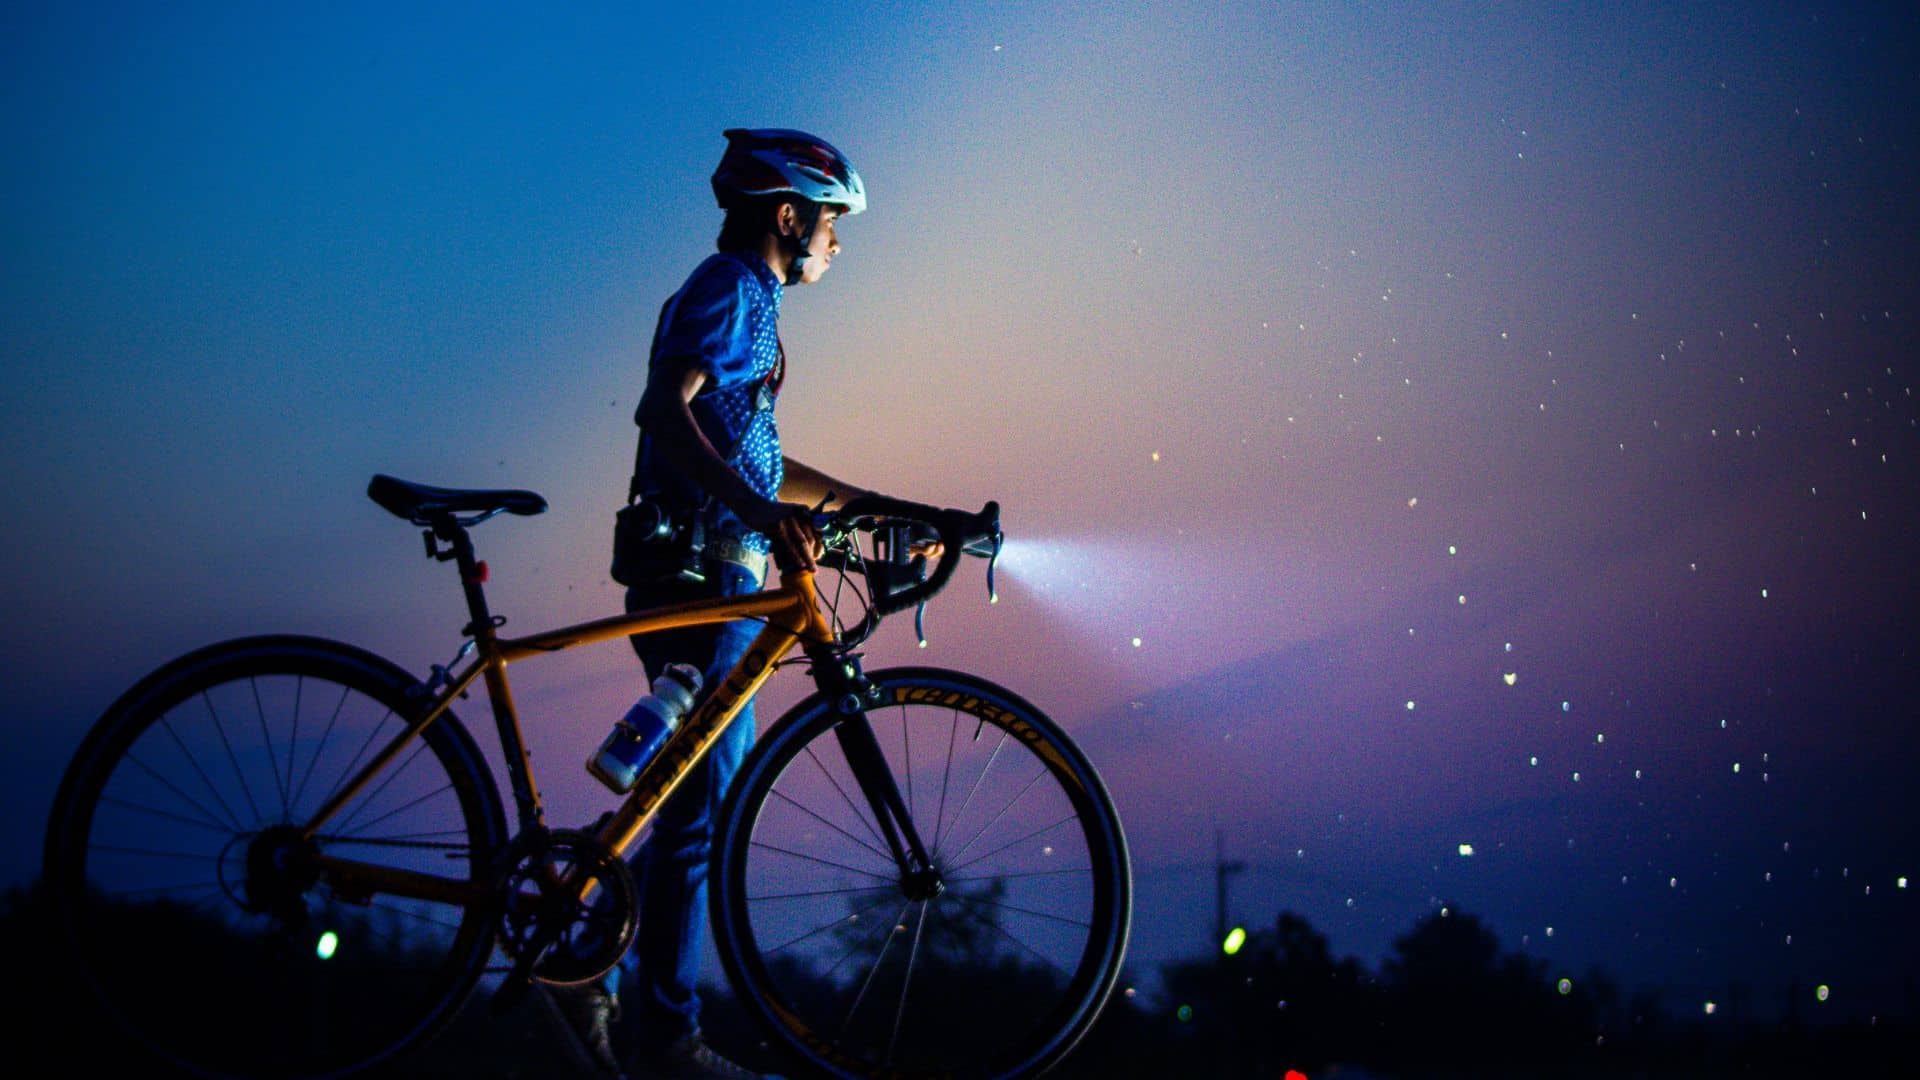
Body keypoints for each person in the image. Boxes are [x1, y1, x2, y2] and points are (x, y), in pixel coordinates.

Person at [554, 128, 875, 1080]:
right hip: (705, 575)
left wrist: (877, 508)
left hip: (720, 567)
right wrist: (756, 515)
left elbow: (755, 457)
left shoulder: (749, 302)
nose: (838, 245)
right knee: (699, 818)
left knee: (697, 805)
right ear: (790, 216)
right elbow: (668, 407)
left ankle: (595, 973)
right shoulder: (734, 289)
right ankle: (667, 1035)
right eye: (833, 223)